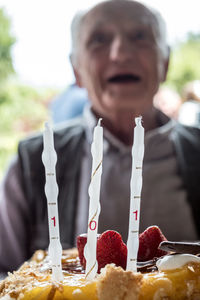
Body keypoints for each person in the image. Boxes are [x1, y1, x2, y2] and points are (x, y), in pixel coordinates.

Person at [1, 0, 200, 276]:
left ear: (165, 63)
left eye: (140, 36)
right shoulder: (34, 164)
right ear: (77, 70)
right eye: (99, 40)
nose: (120, 52)